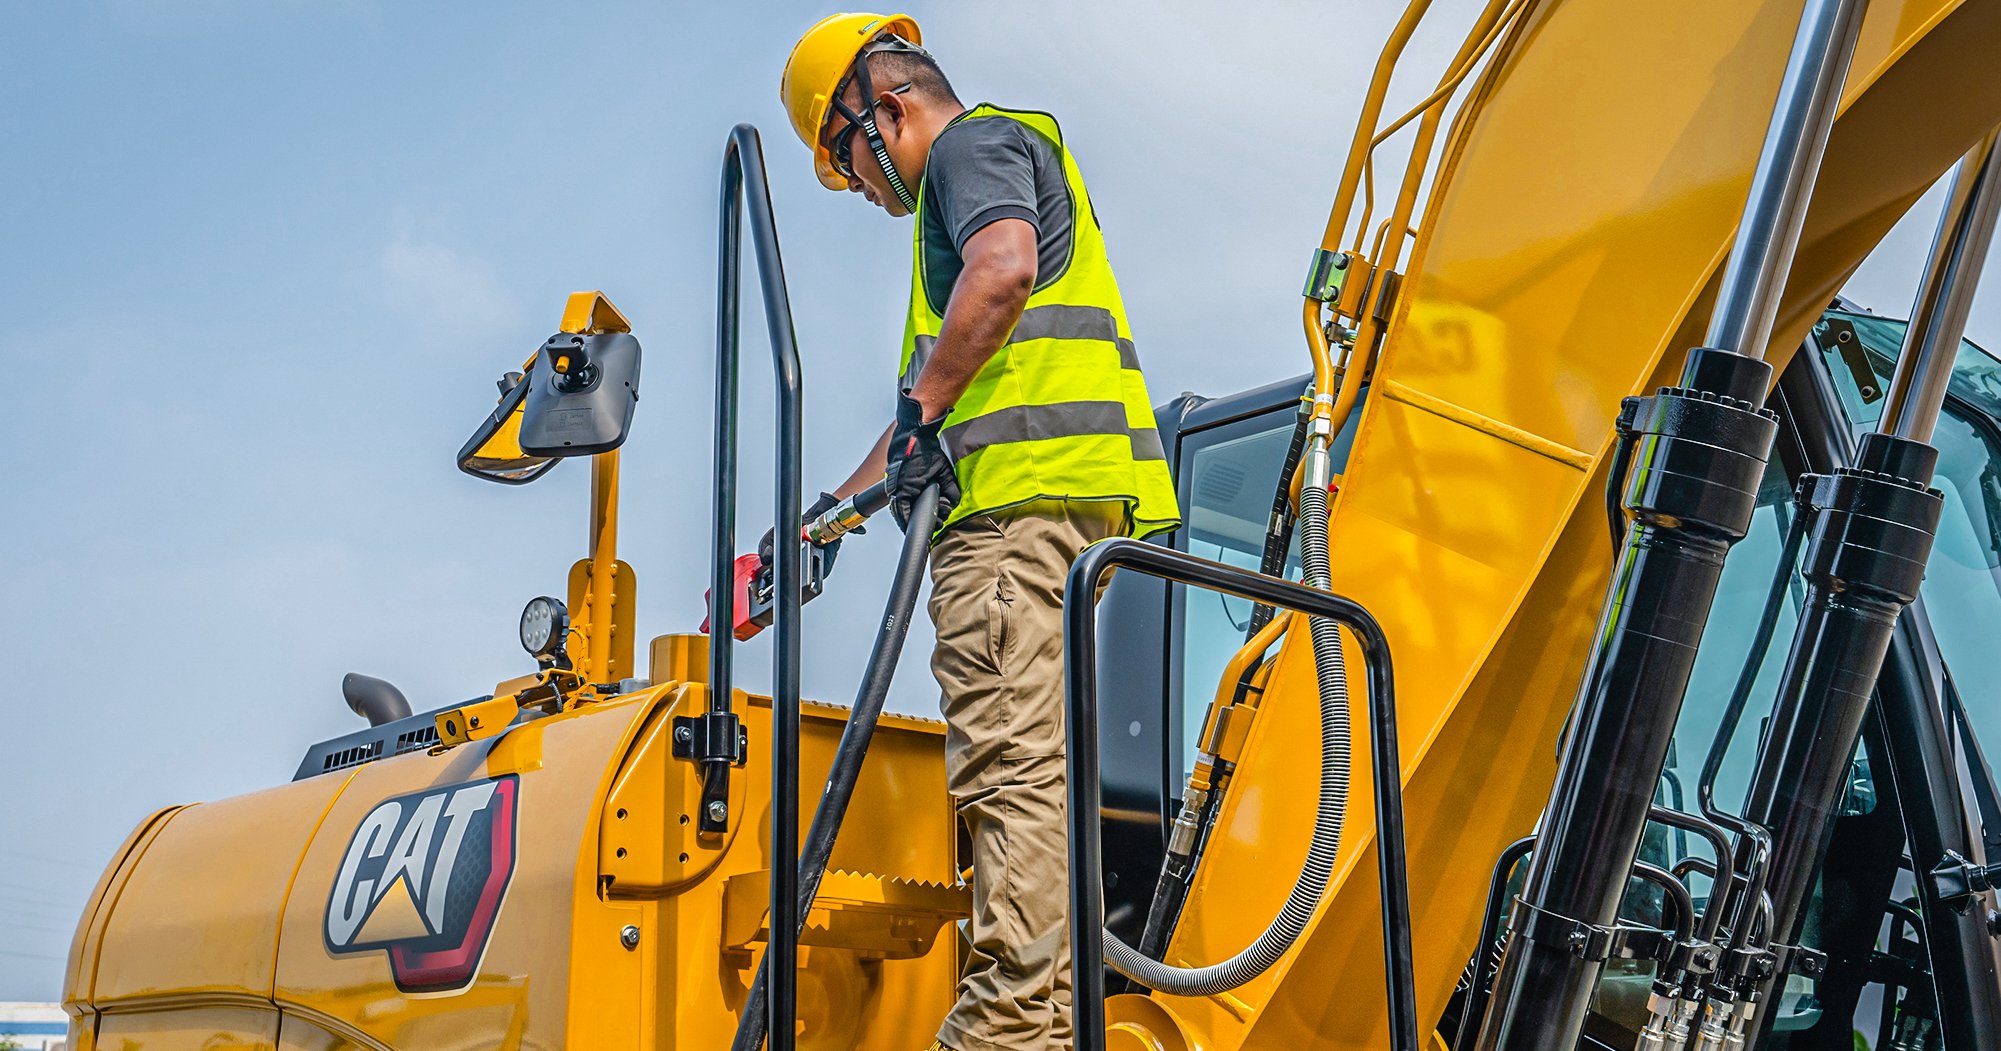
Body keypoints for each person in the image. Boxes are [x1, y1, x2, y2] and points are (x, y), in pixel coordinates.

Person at [780, 13, 1181, 1051]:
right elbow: (933, 417)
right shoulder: (995, 172)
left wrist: (918, 420)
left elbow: (997, 273)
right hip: (1052, 514)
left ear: (887, 110)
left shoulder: (972, 148)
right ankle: (1037, 1025)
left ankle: (1004, 1030)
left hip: (1012, 531)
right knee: (1035, 783)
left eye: (847, 162)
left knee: (1010, 786)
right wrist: (829, 520)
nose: (864, 194)